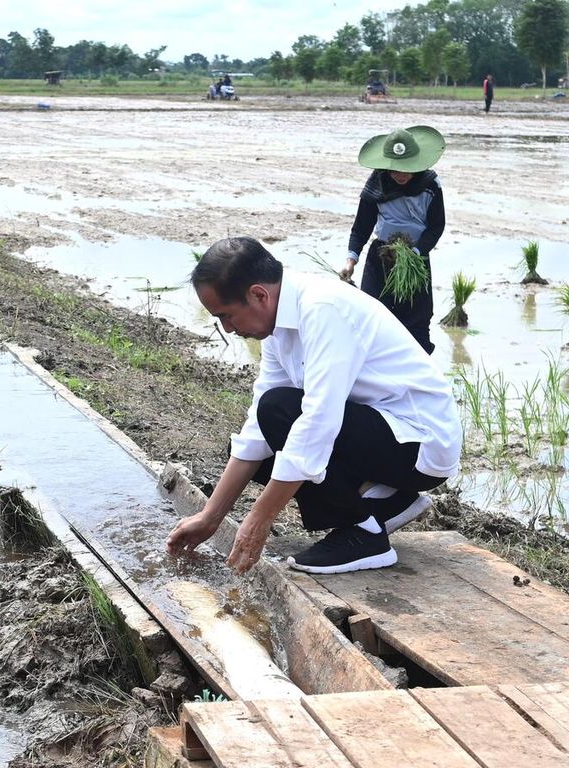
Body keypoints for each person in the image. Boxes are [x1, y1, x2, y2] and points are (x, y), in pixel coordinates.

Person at [167, 237, 461, 574]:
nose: (229, 329)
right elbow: (257, 432)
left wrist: (259, 519)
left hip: (420, 443)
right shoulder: (279, 325)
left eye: (227, 316)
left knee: (280, 411)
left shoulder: (323, 309)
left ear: (259, 295)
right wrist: (211, 516)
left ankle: (364, 534)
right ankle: (391, 502)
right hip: (381, 434)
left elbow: (319, 420)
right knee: (265, 441)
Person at [340, 126, 446, 354]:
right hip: (382, 256)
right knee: (373, 314)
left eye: (406, 169)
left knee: (418, 319)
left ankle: (419, 374)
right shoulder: (376, 185)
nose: (400, 174)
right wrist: (351, 259)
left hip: (415, 258)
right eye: (395, 169)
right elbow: (361, 227)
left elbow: (437, 226)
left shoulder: (431, 186)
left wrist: (417, 253)